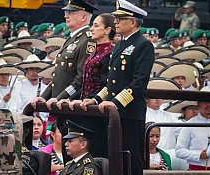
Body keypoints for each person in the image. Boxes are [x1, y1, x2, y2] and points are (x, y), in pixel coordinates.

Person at [80, 0, 154, 174]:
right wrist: (97, 99)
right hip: (113, 111)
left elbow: (138, 82)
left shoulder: (143, 45)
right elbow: (112, 82)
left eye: (120, 19)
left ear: (133, 22)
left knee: (130, 157)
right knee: (113, 156)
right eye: (115, 19)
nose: (116, 22)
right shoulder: (120, 44)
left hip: (130, 112)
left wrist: (116, 103)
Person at [56, 13, 115, 108]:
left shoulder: (110, 52)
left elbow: (106, 85)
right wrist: (71, 98)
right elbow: (85, 84)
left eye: (96, 25)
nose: (91, 29)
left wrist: (93, 99)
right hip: (85, 104)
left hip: (97, 106)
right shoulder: (95, 51)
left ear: (107, 30)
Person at [175, 87, 210, 170]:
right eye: (205, 101)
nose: (208, 105)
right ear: (198, 103)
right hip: (195, 170)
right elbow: (179, 151)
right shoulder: (189, 124)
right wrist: (199, 155)